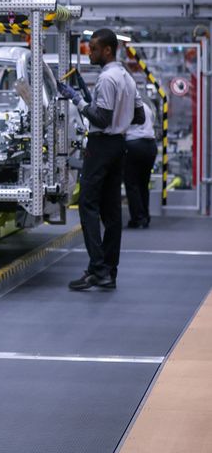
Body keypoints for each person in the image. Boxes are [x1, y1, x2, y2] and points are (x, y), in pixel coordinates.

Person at [57, 28, 145, 291]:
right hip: (119, 146)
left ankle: (97, 269)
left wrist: (78, 101)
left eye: (93, 48)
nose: (89, 52)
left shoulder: (108, 79)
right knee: (111, 211)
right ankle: (109, 272)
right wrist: (104, 109)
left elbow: (102, 119)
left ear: (107, 50)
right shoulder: (127, 78)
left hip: (102, 146)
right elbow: (139, 117)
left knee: (87, 204)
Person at [124, 102, 157, 229]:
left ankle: (137, 219)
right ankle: (145, 216)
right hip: (150, 145)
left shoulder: (126, 106)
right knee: (143, 183)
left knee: (132, 183)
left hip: (134, 144)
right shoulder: (145, 106)